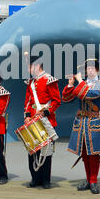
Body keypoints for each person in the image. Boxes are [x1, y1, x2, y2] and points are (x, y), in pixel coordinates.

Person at [62, 59, 100, 195]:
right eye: (87, 68)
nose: (89, 70)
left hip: (94, 121)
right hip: (81, 122)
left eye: (92, 68)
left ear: (97, 70)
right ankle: (89, 180)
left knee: (93, 153)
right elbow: (66, 99)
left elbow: (89, 94)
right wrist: (70, 85)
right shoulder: (82, 85)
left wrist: (79, 82)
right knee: (84, 152)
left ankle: (94, 180)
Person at [24, 56, 61, 189]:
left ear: (37, 66)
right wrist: (27, 115)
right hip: (33, 120)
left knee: (46, 151)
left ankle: (46, 179)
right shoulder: (31, 83)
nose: (28, 69)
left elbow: (57, 101)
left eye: (30, 66)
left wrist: (45, 112)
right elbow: (28, 101)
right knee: (33, 150)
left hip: (46, 120)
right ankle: (35, 178)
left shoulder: (49, 80)